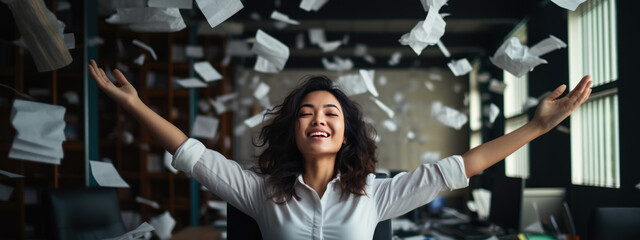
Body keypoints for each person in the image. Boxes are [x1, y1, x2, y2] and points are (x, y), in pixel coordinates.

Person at [88, 60, 592, 240]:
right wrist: (134, 105)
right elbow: (192, 153)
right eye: (306, 113)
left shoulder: (378, 194)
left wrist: (536, 128)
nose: (318, 120)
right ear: (293, 131)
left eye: (330, 113)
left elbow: (463, 166)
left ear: (345, 134)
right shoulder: (260, 192)